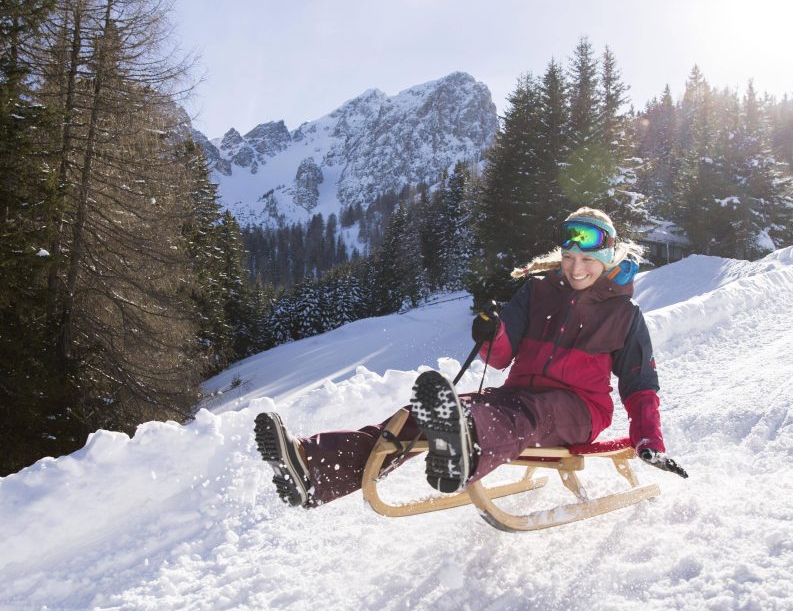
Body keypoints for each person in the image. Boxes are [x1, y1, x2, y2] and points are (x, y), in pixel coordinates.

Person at [253, 207, 687, 509]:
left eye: (587, 260)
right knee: (424, 412)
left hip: (579, 410)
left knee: (529, 413)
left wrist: (649, 439)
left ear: (607, 257)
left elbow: (640, 384)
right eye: (570, 258)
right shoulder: (538, 292)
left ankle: (469, 449)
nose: (576, 269)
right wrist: (489, 329)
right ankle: (314, 468)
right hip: (516, 395)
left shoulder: (624, 316)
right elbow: (499, 356)